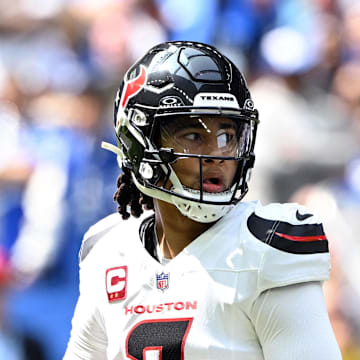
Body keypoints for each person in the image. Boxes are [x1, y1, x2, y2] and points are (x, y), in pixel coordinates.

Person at [64, 41, 341, 359]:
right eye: (194, 136)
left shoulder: (265, 247)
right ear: (140, 143)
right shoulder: (107, 249)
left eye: (227, 136)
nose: (217, 155)